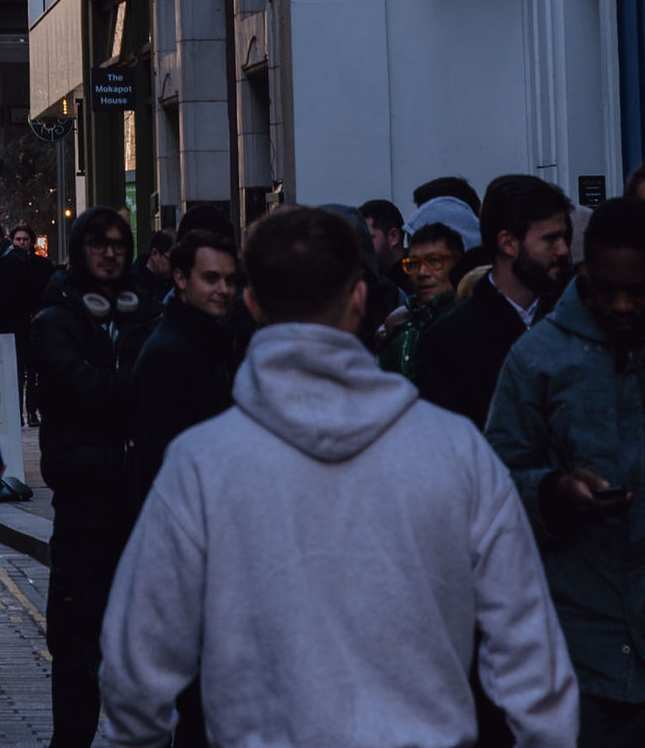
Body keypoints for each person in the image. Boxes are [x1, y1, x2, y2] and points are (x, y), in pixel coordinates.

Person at [95, 203, 574, 748]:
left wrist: (135, 736)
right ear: (360, 299)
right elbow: (529, 646)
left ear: (252, 303)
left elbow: (139, 658)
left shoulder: (204, 463)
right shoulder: (454, 449)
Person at [489, 191, 645, 746]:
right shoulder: (537, 359)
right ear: (585, 272)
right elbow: (494, 486)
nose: (621, 305)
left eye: (637, 291)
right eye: (607, 289)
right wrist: (554, 493)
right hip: (577, 653)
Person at [32, 206, 159, 748]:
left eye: (119, 245)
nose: (110, 254)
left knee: (145, 641)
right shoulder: (54, 320)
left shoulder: (147, 315)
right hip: (82, 502)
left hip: (141, 500)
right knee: (75, 641)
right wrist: (136, 386)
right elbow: (79, 390)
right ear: (79, 250)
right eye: (98, 244)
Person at [414, 177, 572, 431]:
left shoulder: (575, 321)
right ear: (508, 243)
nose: (563, 250)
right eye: (550, 239)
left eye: (564, 237)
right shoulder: (448, 341)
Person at [130, 227, 238, 496]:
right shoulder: (168, 352)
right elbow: (159, 455)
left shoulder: (212, 339)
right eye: (211, 278)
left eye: (230, 279)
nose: (223, 289)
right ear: (180, 278)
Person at [0, 219, 54, 422]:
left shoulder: (35, 265)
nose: (21, 242)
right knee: (19, 371)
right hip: (20, 325)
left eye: (25, 239)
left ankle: (31, 411)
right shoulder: (3, 261)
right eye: (18, 239)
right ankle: (21, 412)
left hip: (31, 322)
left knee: (32, 370)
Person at [384, 219, 468, 379]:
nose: (422, 273)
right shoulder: (399, 335)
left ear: (457, 264)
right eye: (413, 264)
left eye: (434, 261)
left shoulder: (477, 325)